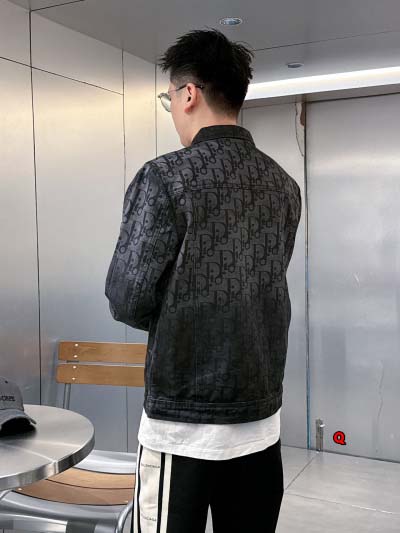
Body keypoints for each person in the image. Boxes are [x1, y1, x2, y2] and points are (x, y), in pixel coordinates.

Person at [105, 27, 302, 533]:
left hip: (182, 425)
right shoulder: (283, 185)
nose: (171, 106)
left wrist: (176, 312)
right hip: (260, 420)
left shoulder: (165, 177)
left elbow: (127, 297)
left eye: (169, 96)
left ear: (189, 93)